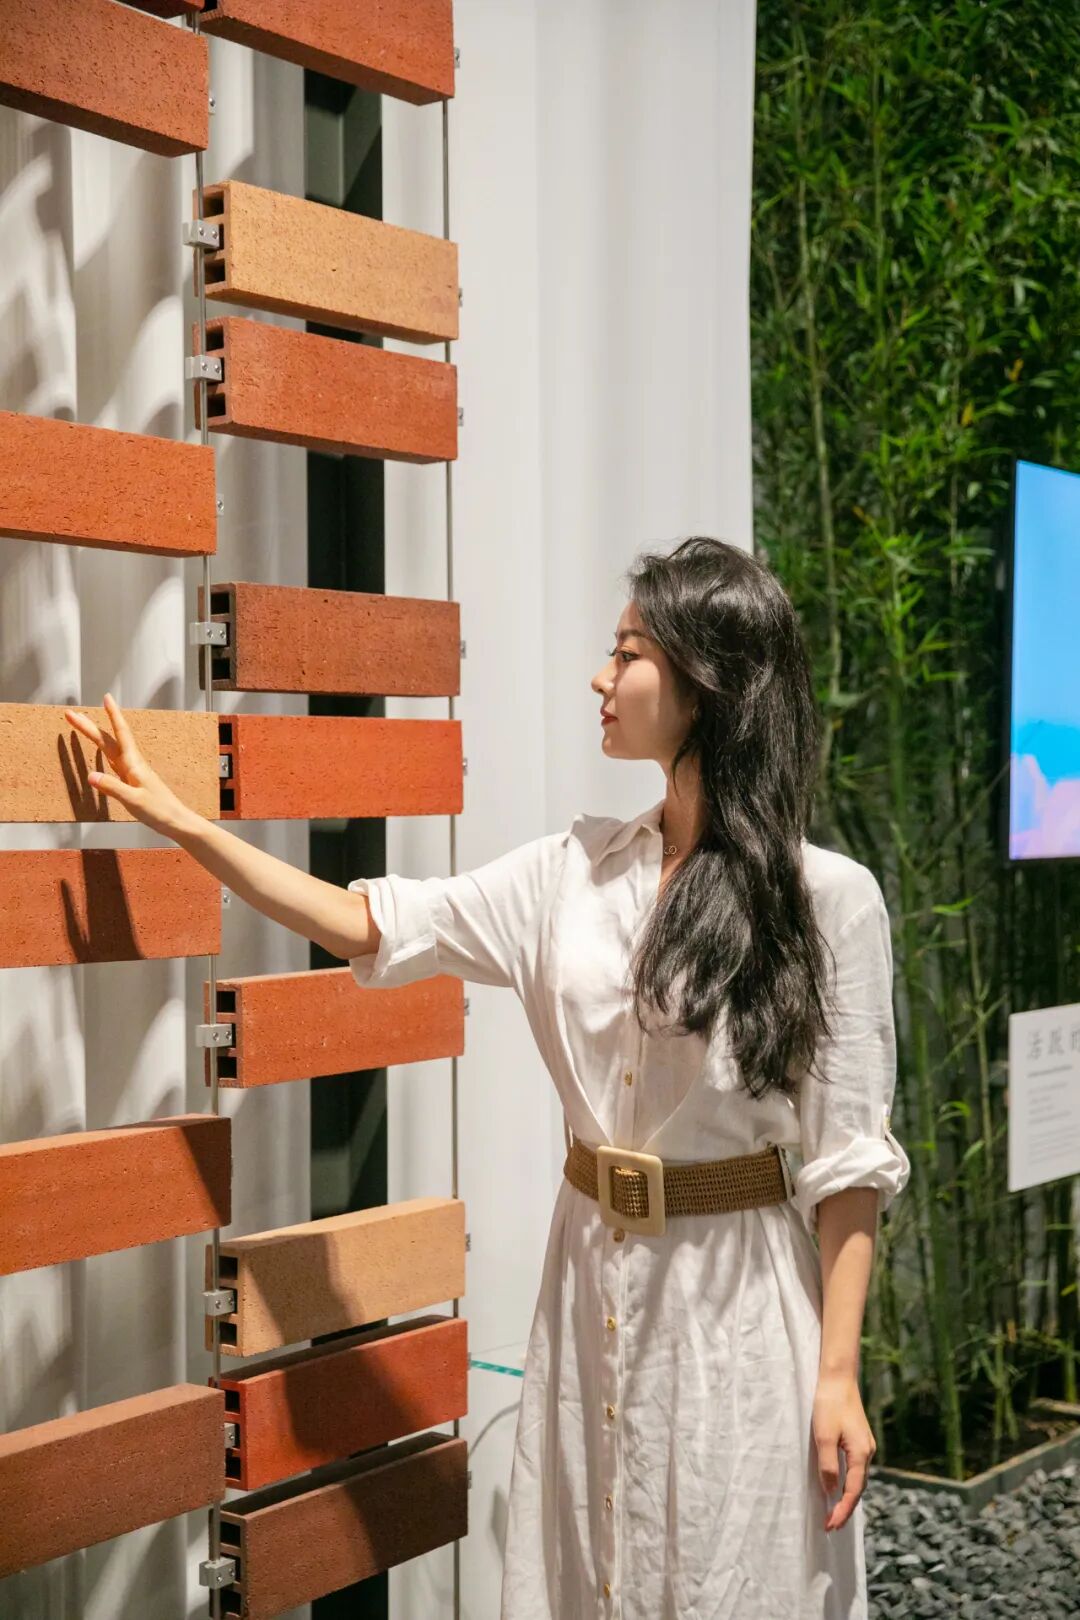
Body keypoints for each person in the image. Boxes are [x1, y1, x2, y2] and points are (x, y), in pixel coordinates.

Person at [64, 535, 911, 1619]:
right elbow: (369, 922)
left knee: (729, 1571)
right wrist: (181, 819)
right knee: (591, 1567)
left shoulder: (828, 899)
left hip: (739, 1306)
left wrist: (837, 1376)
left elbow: (849, 1165)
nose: (600, 678)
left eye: (629, 654)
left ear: (706, 683)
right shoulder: (570, 876)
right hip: (590, 1275)